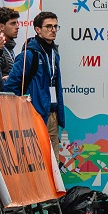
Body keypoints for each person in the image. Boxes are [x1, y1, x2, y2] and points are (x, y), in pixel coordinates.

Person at [4, 11, 66, 149]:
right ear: (38, 29)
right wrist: (23, 109)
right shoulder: (28, 54)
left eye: (56, 26)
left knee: (53, 161)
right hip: (34, 113)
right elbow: (10, 86)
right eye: (49, 26)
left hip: (52, 112)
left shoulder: (54, 52)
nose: (53, 30)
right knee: (36, 157)